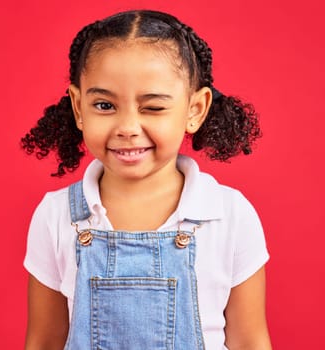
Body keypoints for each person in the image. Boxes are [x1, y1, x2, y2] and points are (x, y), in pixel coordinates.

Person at [22, 9, 272, 350]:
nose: (127, 127)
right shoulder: (55, 216)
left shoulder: (230, 214)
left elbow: (250, 341)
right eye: (105, 105)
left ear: (195, 110)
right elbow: (44, 341)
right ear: (79, 108)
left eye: (152, 107)